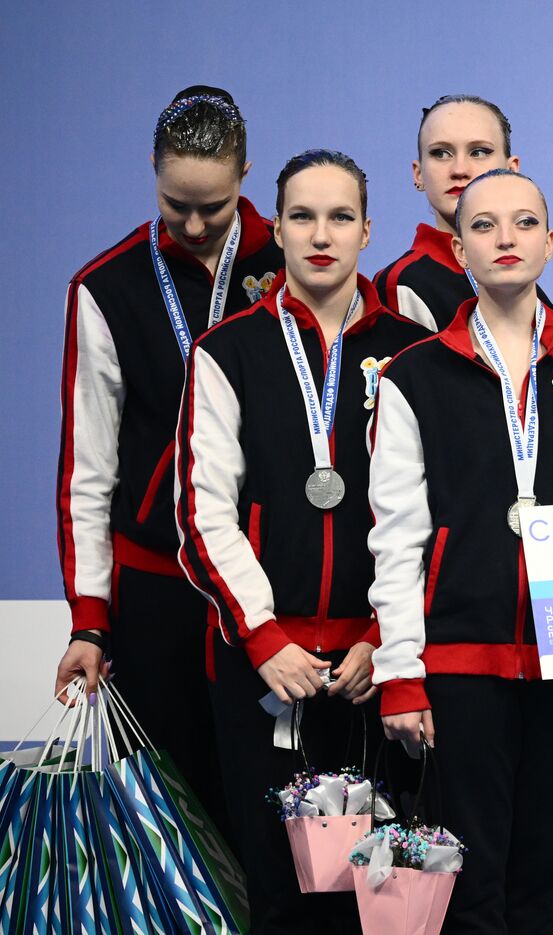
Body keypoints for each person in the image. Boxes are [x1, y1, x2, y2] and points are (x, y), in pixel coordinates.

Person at [367, 168, 553, 932]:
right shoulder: (414, 376)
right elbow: (397, 536)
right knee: (469, 883)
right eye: (486, 226)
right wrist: (400, 670)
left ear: (552, 242)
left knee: (543, 876)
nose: (507, 239)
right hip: (460, 661)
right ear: (457, 245)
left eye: (525, 223)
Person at [175, 149, 428, 932]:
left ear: (367, 230)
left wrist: (387, 640)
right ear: (275, 228)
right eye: (302, 216)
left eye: (341, 217)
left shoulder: (414, 347)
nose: (322, 234)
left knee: (384, 896)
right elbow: (202, 510)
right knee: (279, 894)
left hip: (373, 667)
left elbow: (436, 509)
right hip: (265, 669)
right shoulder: (227, 350)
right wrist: (263, 636)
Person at [53, 86, 282, 836]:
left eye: (212, 208)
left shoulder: (296, 262)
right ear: (153, 169)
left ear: (245, 174)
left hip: (269, 586)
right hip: (156, 592)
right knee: (162, 824)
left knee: (275, 817)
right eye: (174, 201)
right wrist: (91, 618)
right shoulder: (108, 286)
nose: (191, 224)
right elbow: (88, 471)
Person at [374, 94, 553, 330]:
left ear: (512, 170)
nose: (459, 170)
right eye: (440, 153)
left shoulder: (519, 276)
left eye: (479, 152)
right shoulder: (401, 285)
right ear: (418, 174)